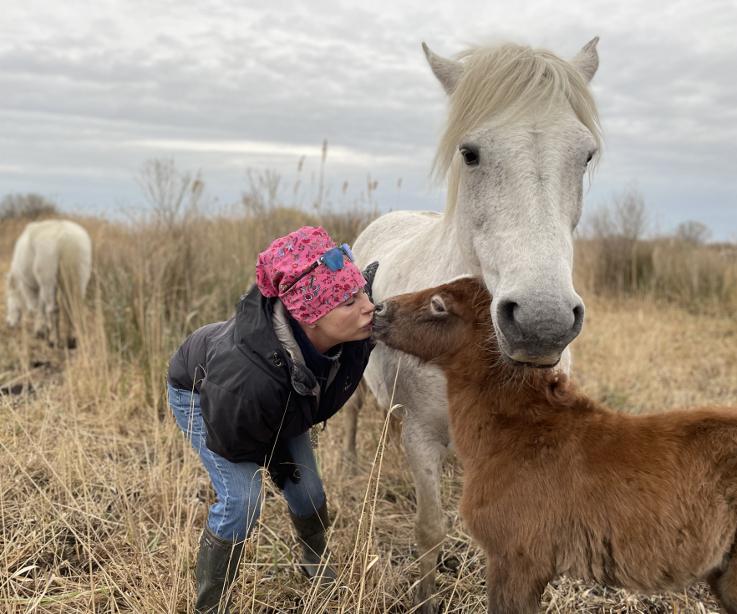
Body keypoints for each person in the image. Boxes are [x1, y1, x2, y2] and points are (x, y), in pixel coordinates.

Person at [167, 225, 378, 613]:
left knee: (309, 493)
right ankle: (210, 605)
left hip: (279, 399)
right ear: (311, 319)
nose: (368, 306)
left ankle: (315, 564)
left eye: (362, 291)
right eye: (350, 302)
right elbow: (239, 438)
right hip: (206, 394)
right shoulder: (250, 382)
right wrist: (278, 461)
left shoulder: (350, 330)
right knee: (243, 500)